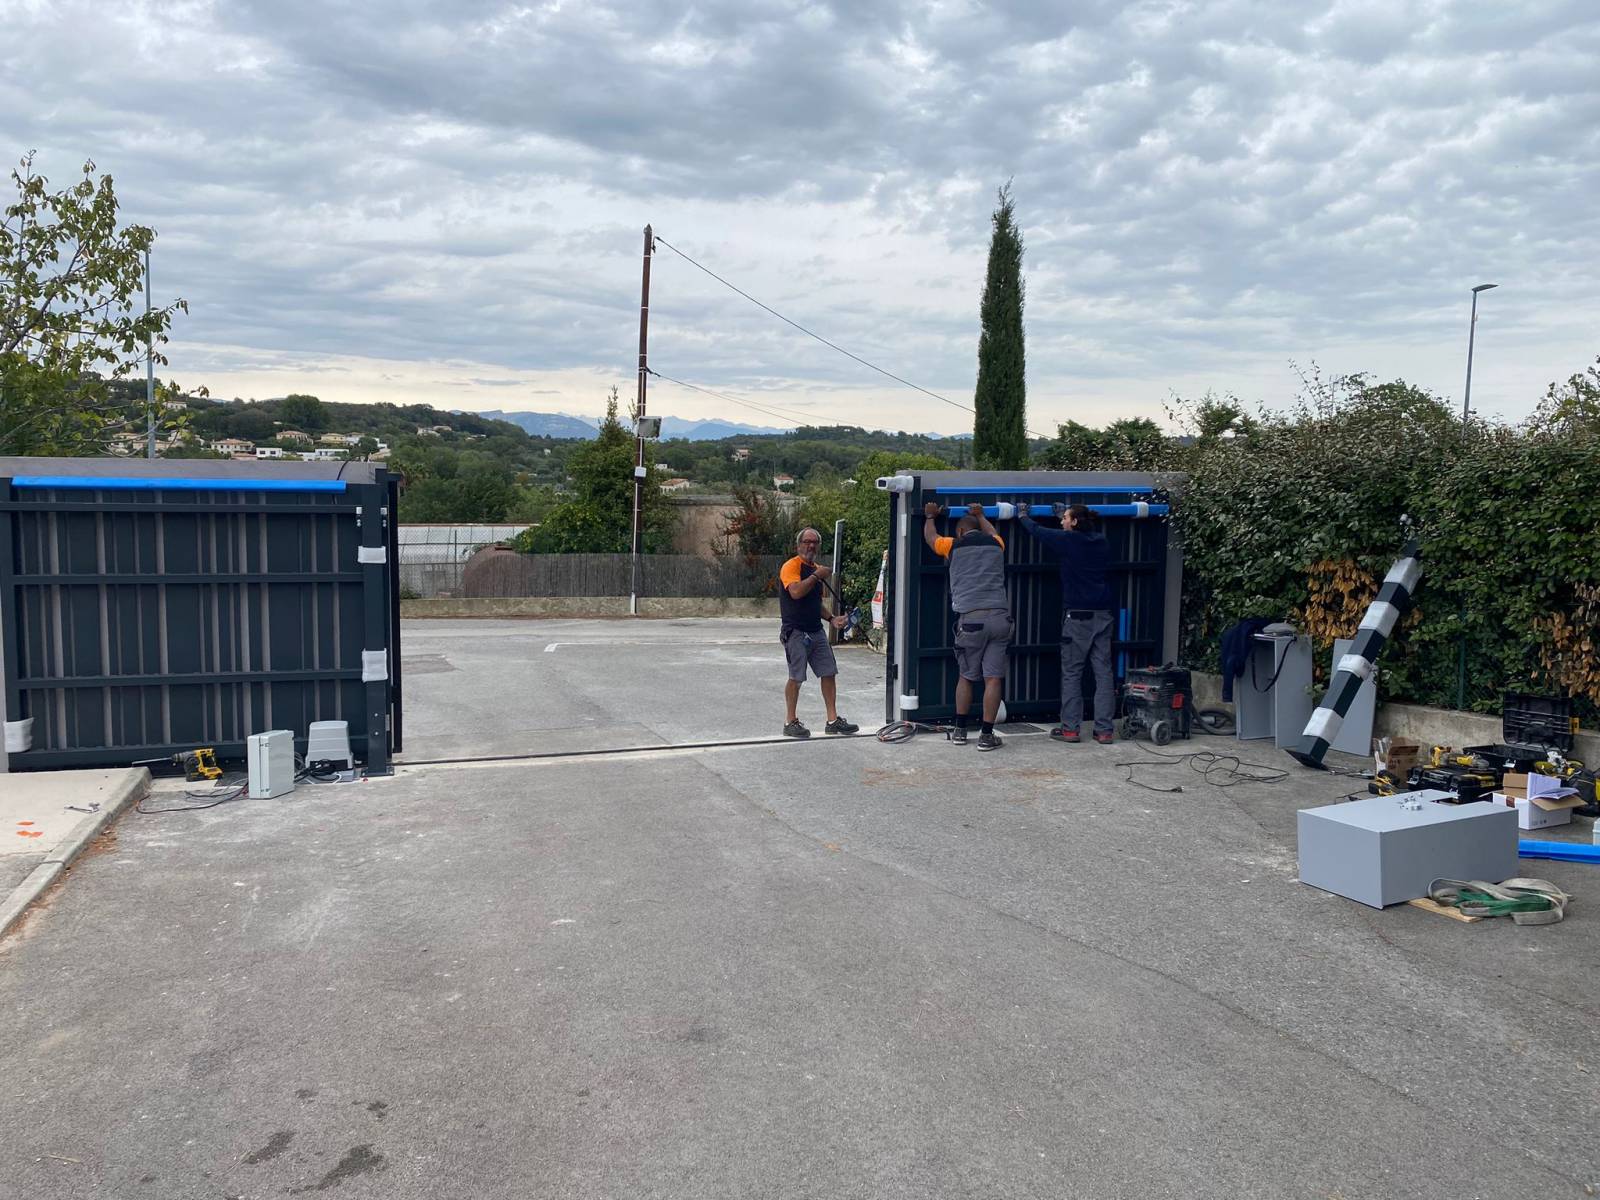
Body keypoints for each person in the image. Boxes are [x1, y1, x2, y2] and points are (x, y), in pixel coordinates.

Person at [1016, 502, 1116, 744]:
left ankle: (1070, 729)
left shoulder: (1069, 541)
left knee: (1072, 672)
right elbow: (1076, 535)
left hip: (1078, 617)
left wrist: (1022, 515)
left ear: (1074, 522)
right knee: (1104, 673)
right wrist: (1063, 513)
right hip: (1103, 614)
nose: (1062, 522)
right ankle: (1104, 731)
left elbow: (1039, 531)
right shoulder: (1101, 541)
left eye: (1065, 518)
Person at [923, 500, 1010, 751]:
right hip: (1000, 618)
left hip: (971, 620)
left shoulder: (953, 545)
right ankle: (986, 735)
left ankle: (960, 730)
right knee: (993, 679)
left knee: (966, 676)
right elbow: (992, 532)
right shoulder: (996, 543)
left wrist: (930, 517)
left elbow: (931, 538)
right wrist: (980, 515)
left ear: (960, 531)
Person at [778, 527, 858, 739]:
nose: (811, 546)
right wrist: (816, 576)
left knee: (828, 672)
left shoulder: (816, 570)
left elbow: (815, 603)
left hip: (816, 630)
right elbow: (796, 592)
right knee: (796, 677)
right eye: (807, 542)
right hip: (795, 631)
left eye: (815, 542)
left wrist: (832, 619)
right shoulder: (791, 566)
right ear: (799, 545)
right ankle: (790, 721)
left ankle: (832, 721)